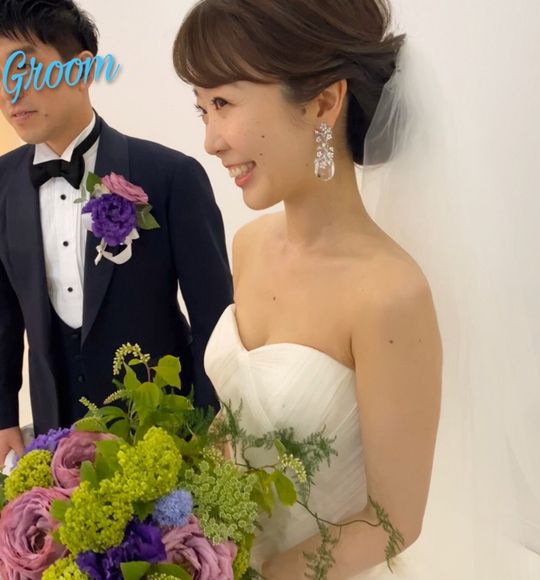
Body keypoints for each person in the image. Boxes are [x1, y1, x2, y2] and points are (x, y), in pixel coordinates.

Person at [173, 0, 442, 578]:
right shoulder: (248, 245)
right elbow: (236, 418)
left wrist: (259, 575)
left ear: (323, 102)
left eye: (223, 104)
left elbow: (394, 521)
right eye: (201, 109)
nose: (211, 141)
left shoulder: (389, 295)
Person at [0, 0, 232, 468]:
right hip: (54, 442)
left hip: (164, 437)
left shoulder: (170, 176)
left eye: (23, 67)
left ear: (82, 70)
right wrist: (4, 416)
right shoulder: (2, 183)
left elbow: (214, 317)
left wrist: (207, 429)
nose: (10, 91)